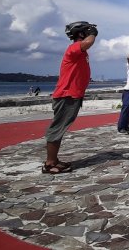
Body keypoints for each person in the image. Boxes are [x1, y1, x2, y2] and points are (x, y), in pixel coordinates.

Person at [42, 21, 97, 174]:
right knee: (57, 128)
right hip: (67, 94)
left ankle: (53, 160)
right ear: (81, 34)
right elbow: (88, 42)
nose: (90, 34)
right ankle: (50, 163)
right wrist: (92, 33)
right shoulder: (74, 48)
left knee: (60, 127)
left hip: (72, 95)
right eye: (86, 31)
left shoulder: (80, 51)